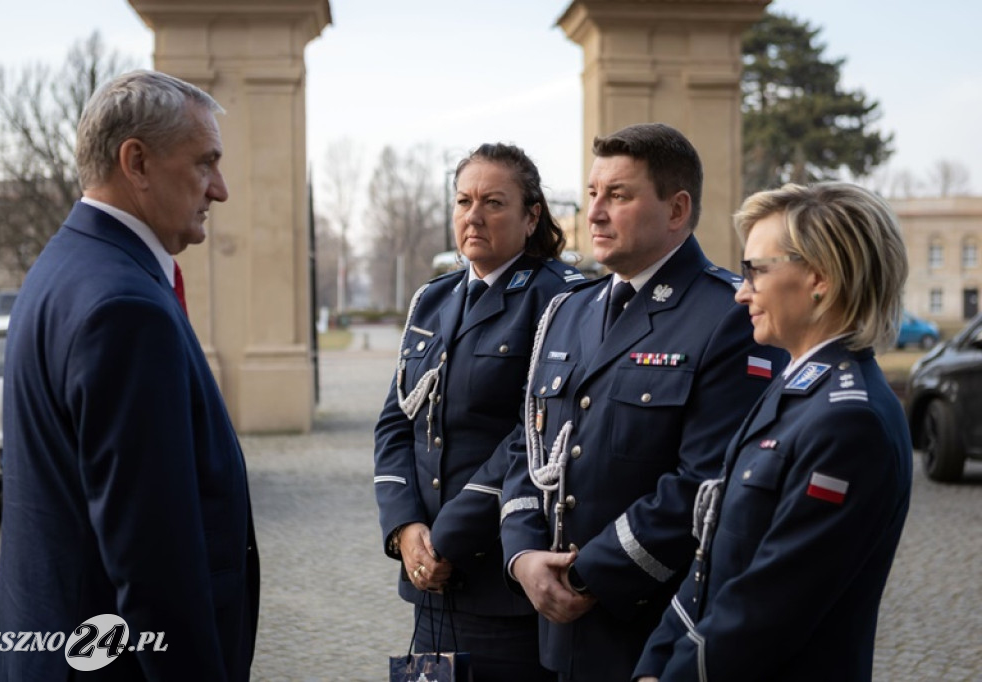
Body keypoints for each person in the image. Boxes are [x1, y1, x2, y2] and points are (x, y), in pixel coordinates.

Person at [0, 70, 259, 681]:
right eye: (205, 163)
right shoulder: (124, 308)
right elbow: (153, 562)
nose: (221, 189)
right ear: (136, 162)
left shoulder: (62, 267)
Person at [498, 123, 786, 682]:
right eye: (591, 195)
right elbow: (526, 444)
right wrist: (523, 556)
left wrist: (586, 577)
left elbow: (708, 482)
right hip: (556, 634)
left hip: (653, 635)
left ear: (676, 210)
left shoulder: (728, 316)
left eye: (619, 196)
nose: (596, 213)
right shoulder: (568, 311)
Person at [635, 182, 912, 682]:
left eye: (755, 271)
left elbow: (767, 608)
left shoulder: (849, 421)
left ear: (820, 278)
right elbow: (709, 565)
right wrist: (653, 664)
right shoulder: (796, 387)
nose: (741, 292)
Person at [374, 142, 584, 681]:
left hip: (500, 582)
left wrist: (446, 538)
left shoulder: (561, 302)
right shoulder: (432, 299)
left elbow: (530, 435)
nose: (474, 216)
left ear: (531, 215)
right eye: (464, 200)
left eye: (493, 202)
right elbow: (397, 419)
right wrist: (404, 528)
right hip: (428, 580)